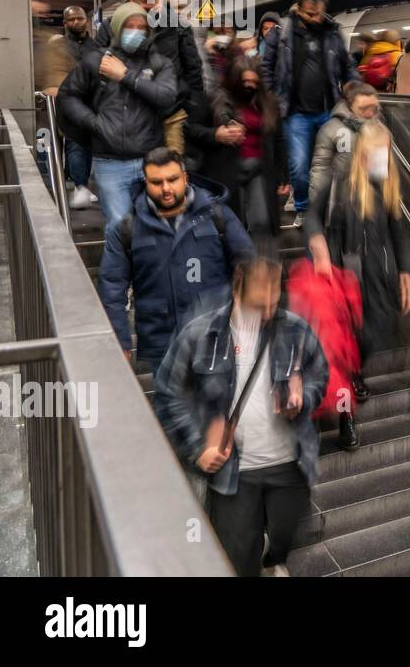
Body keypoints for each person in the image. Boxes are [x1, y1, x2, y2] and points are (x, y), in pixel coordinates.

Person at [155, 256, 328, 577]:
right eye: (257, 305)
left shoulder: (293, 328)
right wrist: (198, 446)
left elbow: (319, 372)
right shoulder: (201, 334)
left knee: (285, 534)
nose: (267, 314)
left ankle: (272, 559)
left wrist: (304, 397)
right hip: (235, 473)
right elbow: (169, 393)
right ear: (237, 290)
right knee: (237, 558)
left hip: (290, 465)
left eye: (273, 304)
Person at [98, 147, 254, 371]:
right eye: (156, 182)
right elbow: (112, 286)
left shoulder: (218, 216)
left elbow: (248, 264)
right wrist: (118, 338)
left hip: (215, 338)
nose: (166, 189)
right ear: (145, 182)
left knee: (219, 405)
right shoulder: (126, 229)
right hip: (162, 346)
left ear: (185, 178)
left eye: (172, 180)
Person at [305, 121, 410, 401]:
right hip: (347, 274)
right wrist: (319, 246)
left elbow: (398, 230)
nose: (381, 160)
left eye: (385, 153)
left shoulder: (388, 186)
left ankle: (353, 370)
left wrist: (405, 270)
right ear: (362, 154)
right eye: (376, 153)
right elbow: (312, 216)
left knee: (370, 334)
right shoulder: (340, 183)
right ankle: (347, 387)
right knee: (347, 332)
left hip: (378, 276)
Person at [57, 2, 179, 228]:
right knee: (118, 227)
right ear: (117, 28)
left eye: (141, 27)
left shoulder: (160, 63)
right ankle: (119, 264)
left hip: (151, 159)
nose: (135, 32)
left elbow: (166, 96)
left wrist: (125, 76)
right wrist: (94, 123)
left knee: (157, 224)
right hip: (110, 161)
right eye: (129, 26)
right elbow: (67, 96)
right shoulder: (96, 60)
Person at [260, 0, 360, 222]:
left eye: (319, 13)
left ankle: (332, 208)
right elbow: (266, 68)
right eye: (311, 13)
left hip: (329, 111)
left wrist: (355, 87)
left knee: (341, 160)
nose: (316, 18)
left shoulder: (332, 32)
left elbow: (347, 67)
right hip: (295, 114)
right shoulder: (282, 33)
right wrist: (274, 96)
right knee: (298, 167)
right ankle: (305, 208)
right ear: (299, 10)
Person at [185, 59, 288, 238]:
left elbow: (278, 140)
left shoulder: (268, 103)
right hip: (227, 169)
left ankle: (261, 263)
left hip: (260, 168)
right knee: (232, 222)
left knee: (261, 222)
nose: (250, 86)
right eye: (245, 81)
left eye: (254, 82)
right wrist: (216, 134)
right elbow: (191, 129)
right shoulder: (215, 100)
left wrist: (283, 175)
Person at [104, 0, 205, 155]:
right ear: (131, 3)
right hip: (132, 113)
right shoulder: (113, 27)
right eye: (145, 9)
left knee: (174, 166)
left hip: (172, 112)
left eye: (155, 8)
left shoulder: (178, 27)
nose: (151, 14)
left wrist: (192, 109)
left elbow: (193, 68)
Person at [286, 255, 363, 451]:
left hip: (336, 340)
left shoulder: (337, 278)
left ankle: (346, 419)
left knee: (341, 385)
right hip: (316, 341)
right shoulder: (302, 280)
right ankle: (316, 425)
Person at [35, 4, 98, 208]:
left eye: (79, 18)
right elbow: (54, 72)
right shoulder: (59, 45)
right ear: (65, 23)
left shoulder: (94, 45)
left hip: (89, 103)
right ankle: (78, 186)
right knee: (74, 144)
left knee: (85, 146)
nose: (76, 22)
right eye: (71, 20)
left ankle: (81, 185)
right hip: (68, 101)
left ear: (85, 20)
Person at [310, 81, 380, 208]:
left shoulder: (379, 127)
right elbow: (320, 169)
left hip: (370, 201)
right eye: (363, 109)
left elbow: (381, 172)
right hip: (341, 202)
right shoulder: (332, 129)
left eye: (374, 108)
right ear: (350, 106)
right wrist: (316, 205)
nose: (370, 114)